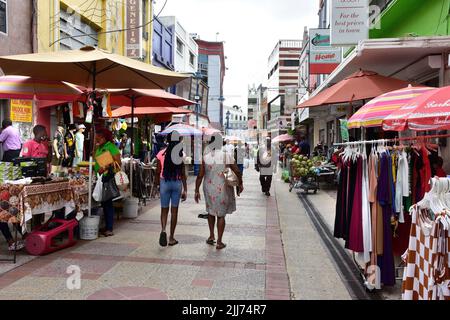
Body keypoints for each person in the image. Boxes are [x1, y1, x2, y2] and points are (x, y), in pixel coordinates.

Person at [195, 135, 243, 250]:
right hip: (222, 188)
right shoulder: (227, 156)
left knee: (211, 212)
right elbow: (236, 170)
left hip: (208, 187)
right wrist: (240, 183)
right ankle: (219, 242)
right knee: (221, 215)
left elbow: (200, 175)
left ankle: (211, 236)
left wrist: (196, 189)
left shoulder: (205, 157)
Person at [155, 133, 187, 247]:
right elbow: (183, 173)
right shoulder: (181, 154)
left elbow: (158, 171)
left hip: (164, 183)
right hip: (177, 183)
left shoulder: (161, 153)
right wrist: (185, 189)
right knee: (174, 212)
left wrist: (156, 185)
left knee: (164, 210)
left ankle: (163, 230)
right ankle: (172, 237)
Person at [93, 127, 121, 237]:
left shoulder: (111, 147)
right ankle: (107, 226)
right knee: (104, 203)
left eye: (99, 138)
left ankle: (110, 228)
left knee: (108, 203)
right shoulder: (100, 147)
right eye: (96, 138)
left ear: (105, 138)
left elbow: (118, 162)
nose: (97, 140)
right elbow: (95, 159)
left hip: (107, 178)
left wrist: (105, 167)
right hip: (100, 178)